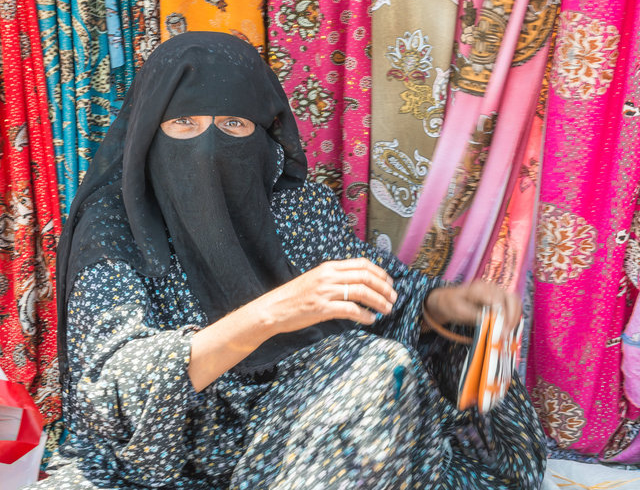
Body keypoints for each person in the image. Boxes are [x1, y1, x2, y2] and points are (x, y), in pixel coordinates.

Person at [32, 32, 546, 489]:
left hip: (296, 433)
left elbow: (376, 292)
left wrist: (446, 304)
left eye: (233, 124)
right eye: (183, 123)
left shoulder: (292, 205)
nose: (208, 150)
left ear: (264, 132)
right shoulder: (116, 225)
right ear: (147, 132)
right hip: (168, 452)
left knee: (401, 361)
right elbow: (111, 391)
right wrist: (270, 314)